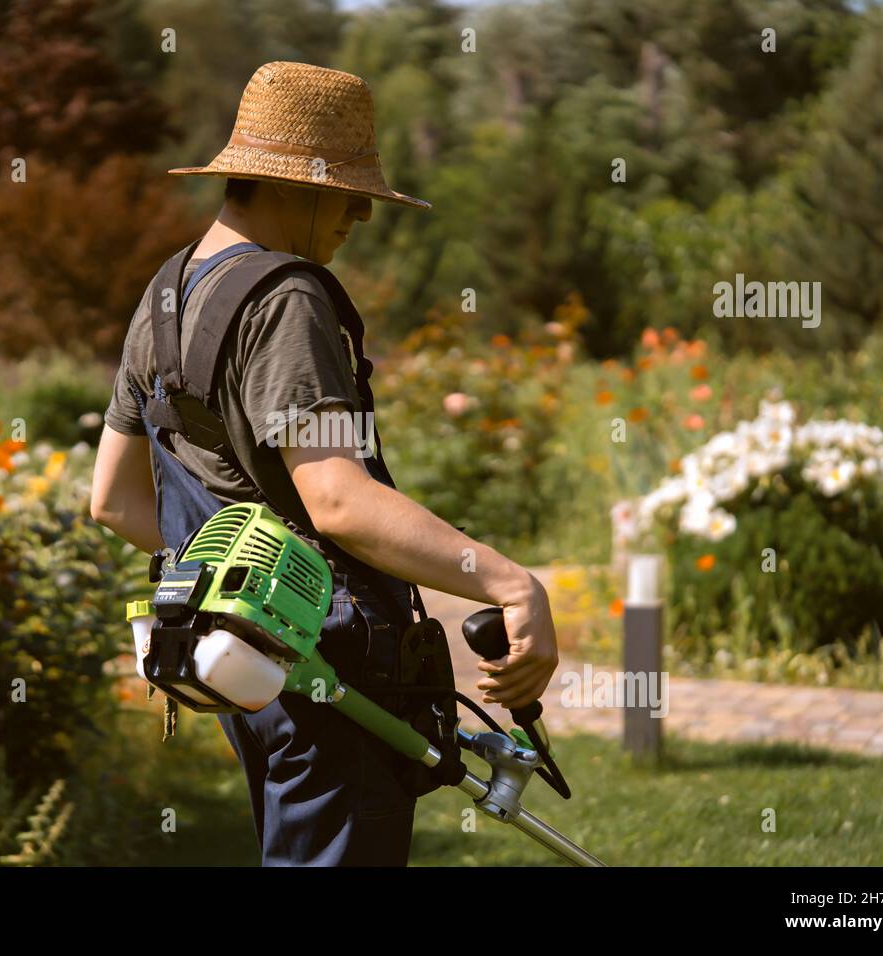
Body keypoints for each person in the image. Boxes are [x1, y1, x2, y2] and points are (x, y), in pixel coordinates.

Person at [90, 61, 557, 866]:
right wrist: (511, 583)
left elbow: (113, 501)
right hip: (329, 665)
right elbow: (337, 501)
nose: (358, 218)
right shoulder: (287, 299)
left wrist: (240, 587)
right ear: (293, 187)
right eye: (349, 194)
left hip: (246, 664)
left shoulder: (163, 295)